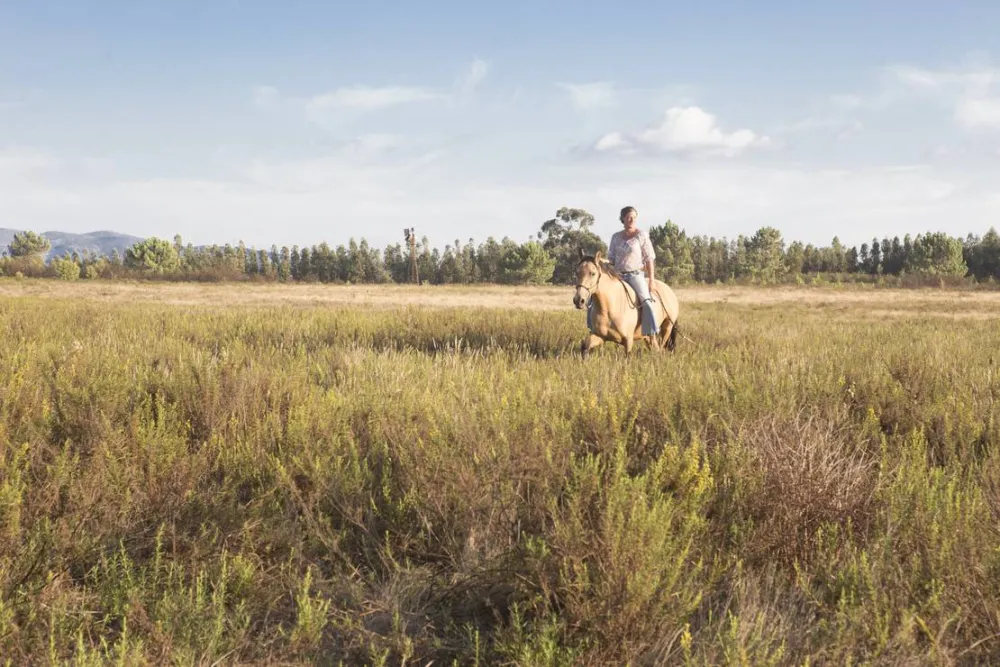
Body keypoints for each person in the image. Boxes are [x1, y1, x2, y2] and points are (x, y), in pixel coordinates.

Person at [606, 205, 659, 337]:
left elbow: (649, 259)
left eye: (634, 217)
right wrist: (598, 261)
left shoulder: (642, 235)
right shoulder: (615, 237)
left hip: (635, 275)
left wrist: (651, 280)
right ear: (622, 219)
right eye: (628, 217)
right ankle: (596, 327)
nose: (631, 220)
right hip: (617, 276)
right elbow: (611, 259)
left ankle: (650, 332)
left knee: (646, 302)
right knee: (595, 297)